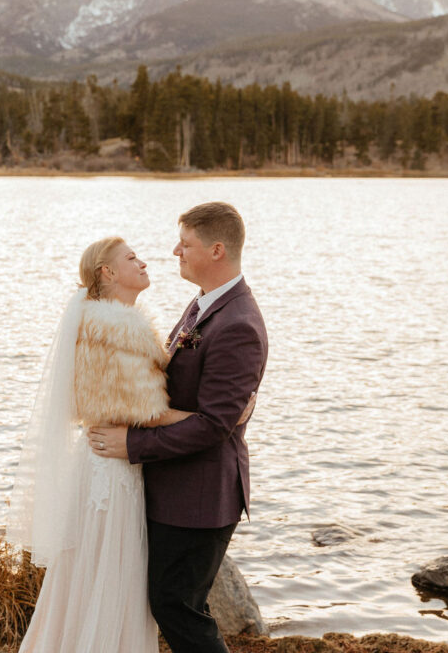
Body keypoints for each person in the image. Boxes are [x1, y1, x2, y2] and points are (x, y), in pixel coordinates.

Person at [89, 201, 268, 653]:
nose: (175, 251)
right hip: (177, 488)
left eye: (186, 244)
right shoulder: (203, 305)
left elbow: (211, 427)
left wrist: (131, 443)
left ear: (216, 250)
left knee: (176, 605)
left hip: (201, 495)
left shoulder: (238, 324)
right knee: (174, 603)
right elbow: (180, 394)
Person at [7, 236, 192, 653]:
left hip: (97, 463)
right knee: (112, 576)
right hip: (114, 470)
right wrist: (219, 419)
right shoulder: (118, 329)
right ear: (107, 272)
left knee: (85, 576)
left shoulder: (93, 320)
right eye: (131, 258)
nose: (143, 262)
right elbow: (150, 411)